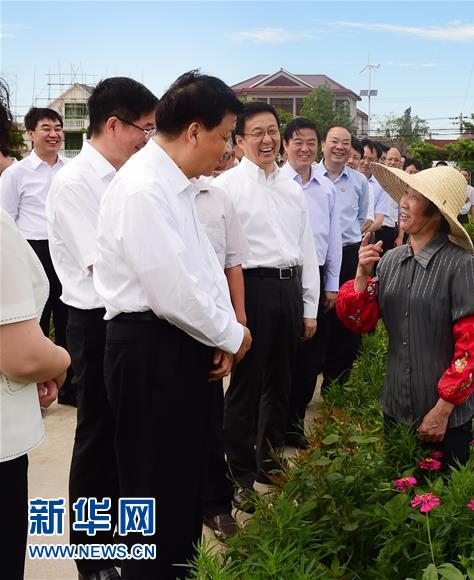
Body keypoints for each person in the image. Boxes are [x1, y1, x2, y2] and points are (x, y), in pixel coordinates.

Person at [93, 70, 251, 579]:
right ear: (194, 131)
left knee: (181, 482)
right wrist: (232, 336)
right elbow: (172, 293)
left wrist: (220, 332)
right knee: (153, 487)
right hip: (148, 349)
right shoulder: (144, 189)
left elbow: (202, 271)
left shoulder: (176, 185)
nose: (227, 149)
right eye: (226, 135)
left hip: (177, 345)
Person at [45, 76, 157, 579]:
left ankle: (122, 544)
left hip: (127, 322)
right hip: (93, 324)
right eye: (145, 129)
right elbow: (103, 268)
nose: (149, 140)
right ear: (114, 124)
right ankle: (91, 557)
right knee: (96, 439)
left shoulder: (127, 178)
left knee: (123, 438)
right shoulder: (75, 183)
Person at [336, 164, 474, 468]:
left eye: (415, 197)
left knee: (442, 507)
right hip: (395, 405)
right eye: (404, 194)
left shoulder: (462, 266)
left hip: (445, 415)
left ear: (435, 212)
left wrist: (443, 409)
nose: (403, 203)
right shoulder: (390, 262)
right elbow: (360, 322)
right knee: (397, 496)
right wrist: (360, 277)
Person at [214, 103, 319, 500]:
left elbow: (306, 248)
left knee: (281, 383)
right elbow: (219, 255)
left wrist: (308, 307)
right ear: (239, 140)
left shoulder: (291, 187)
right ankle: (238, 476)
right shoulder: (225, 188)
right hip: (250, 291)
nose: (267, 139)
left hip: (288, 290)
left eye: (272, 131)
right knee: (245, 385)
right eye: (256, 132)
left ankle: (270, 464)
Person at [0, 93, 70, 580]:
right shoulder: (14, 182)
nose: (53, 133)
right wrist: (58, 361)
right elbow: (22, 356)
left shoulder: (67, 171)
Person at [195, 144, 249, 537]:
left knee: (211, 417)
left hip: (214, 323)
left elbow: (233, 262)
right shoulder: (154, 192)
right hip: (166, 324)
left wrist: (238, 322)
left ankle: (215, 504)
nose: (224, 153)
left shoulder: (220, 197)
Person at [0, 108, 72, 403]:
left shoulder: (70, 169)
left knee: (68, 316)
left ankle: (71, 389)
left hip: (65, 251)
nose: (54, 133)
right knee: (35, 321)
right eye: (46, 128)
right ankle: (34, 391)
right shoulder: (16, 174)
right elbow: (6, 219)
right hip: (33, 250)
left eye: (58, 127)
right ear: (30, 134)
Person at [281, 117, 342, 448]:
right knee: (281, 355)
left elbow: (333, 239)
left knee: (310, 356)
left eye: (309, 142)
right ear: (285, 145)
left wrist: (331, 282)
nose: (304, 148)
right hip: (283, 277)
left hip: (316, 276)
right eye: (297, 142)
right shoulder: (276, 182)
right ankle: (272, 425)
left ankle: (294, 424)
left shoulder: (325, 187)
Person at [316, 126, 369, 386]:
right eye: (334, 141)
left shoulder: (359, 181)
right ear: (323, 144)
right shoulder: (309, 175)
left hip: (349, 254)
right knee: (316, 318)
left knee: (345, 319)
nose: (340, 147)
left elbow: (360, 218)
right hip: (317, 256)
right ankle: (312, 370)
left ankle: (335, 385)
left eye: (346, 142)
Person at [373, 146, 403, 251]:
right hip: (371, 228)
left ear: (400, 163)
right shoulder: (375, 179)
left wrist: (400, 237)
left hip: (389, 230)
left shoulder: (401, 184)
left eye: (396, 160)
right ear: (384, 161)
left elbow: (401, 213)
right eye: (390, 159)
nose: (393, 162)